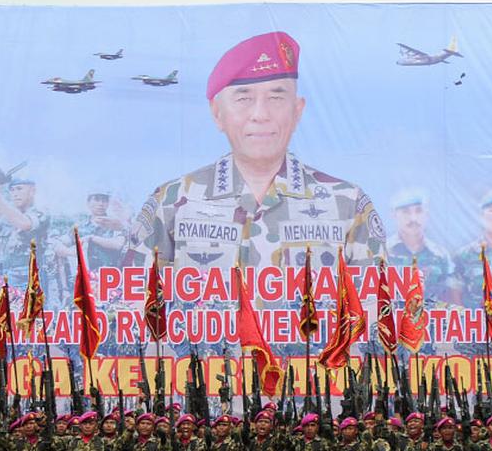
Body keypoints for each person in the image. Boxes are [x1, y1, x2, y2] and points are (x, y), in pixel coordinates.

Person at [128, 31, 384, 275]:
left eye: (276, 98)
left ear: (297, 111)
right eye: (244, 99)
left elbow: (376, 312)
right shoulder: (171, 203)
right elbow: (132, 306)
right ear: (217, 113)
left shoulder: (349, 205)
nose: (260, 115)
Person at [385, 188, 454, 303]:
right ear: (394, 215)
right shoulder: (380, 253)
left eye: (419, 211)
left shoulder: (440, 255)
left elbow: (450, 298)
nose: (413, 218)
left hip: (431, 319)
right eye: (406, 212)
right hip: (393, 319)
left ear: (427, 214)